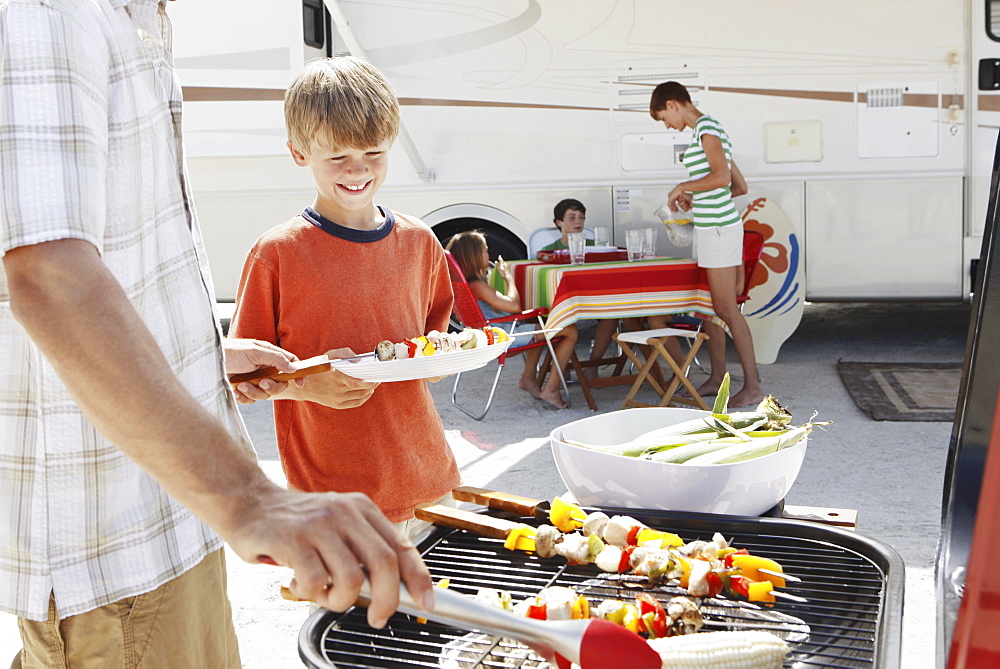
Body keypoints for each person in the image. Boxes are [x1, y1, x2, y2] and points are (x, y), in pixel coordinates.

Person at [0, 4, 433, 668]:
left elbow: (115, 267)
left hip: (169, 522)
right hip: (116, 551)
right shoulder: (52, 11)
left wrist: (204, 358)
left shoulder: (130, 18)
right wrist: (252, 497)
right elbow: (48, 276)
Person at [228, 56, 462, 536]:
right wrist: (306, 385)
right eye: (337, 156)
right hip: (331, 500)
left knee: (439, 611)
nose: (358, 169)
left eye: (374, 152)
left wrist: (442, 358)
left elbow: (433, 349)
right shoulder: (277, 254)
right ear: (299, 153)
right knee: (351, 612)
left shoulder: (420, 243)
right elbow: (242, 378)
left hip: (429, 482)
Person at [647, 81, 764, 408]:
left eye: (664, 118)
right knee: (713, 309)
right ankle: (717, 377)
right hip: (713, 228)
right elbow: (737, 185)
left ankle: (752, 386)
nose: (668, 126)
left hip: (719, 231)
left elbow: (722, 178)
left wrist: (683, 185)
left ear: (672, 104)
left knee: (726, 309)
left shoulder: (707, 128)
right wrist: (694, 196)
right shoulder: (707, 132)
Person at [446, 231, 578, 409]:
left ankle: (528, 378)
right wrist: (507, 277)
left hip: (488, 334)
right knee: (570, 331)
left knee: (540, 326)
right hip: (502, 337)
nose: (489, 254)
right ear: (474, 256)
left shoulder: (461, 284)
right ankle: (552, 389)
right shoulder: (478, 286)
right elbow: (514, 306)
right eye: (485, 251)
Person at [538, 199, 623, 378]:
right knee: (556, 315)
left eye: (581, 218)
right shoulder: (549, 251)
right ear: (558, 222)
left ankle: (593, 363)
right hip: (564, 304)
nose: (578, 221)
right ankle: (561, 363)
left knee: (613, 313)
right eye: (572, 217)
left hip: (592, 300)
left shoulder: (597, 246)